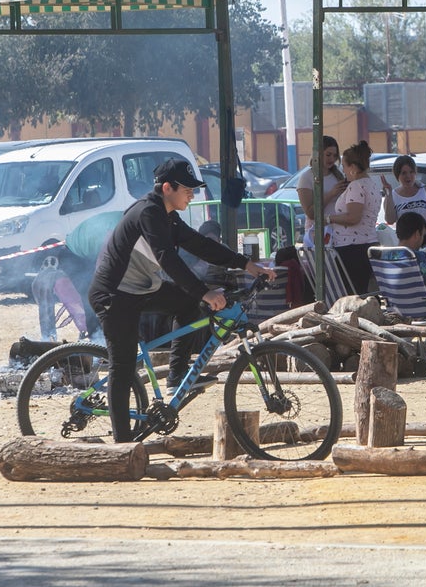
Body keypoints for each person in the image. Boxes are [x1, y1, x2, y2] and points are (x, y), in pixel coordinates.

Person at [88, 160, 273, 443]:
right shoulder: (148, 212)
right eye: (187, 189)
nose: (192, 195)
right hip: (113, 295)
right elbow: (167, 258)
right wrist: (204, 292)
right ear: (167, 188)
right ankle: (123, 445)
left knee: (188, 305)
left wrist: (246, 264)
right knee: (122, 367)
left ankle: (176, 375)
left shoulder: (168, 215)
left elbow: (201, 245)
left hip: (140, 288)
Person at [324, 141, 381, 294]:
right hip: (367, 244)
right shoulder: (372, 184)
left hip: (352, 249)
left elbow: (353, 217)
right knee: (364, 293)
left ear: (353, 168)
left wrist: (329, 219)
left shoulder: (356, 186)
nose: (342, 169)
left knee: (352, 295)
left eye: (344, 165)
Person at [296, 135, 347, 249]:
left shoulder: (338, 175)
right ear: (318, 154)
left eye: (334, 155)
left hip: (340, 234)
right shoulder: (307, 177)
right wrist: (331, 194)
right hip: (319, 234)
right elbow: (310, 213)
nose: (332, 159)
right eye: (328, 155)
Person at [381, 155, 426, 246]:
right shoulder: (393, 195)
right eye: (403, 173)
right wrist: (388, 193)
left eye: (411, 172)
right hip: (407, 243)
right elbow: (390, 220)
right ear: (398, 175)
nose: (408, 176)